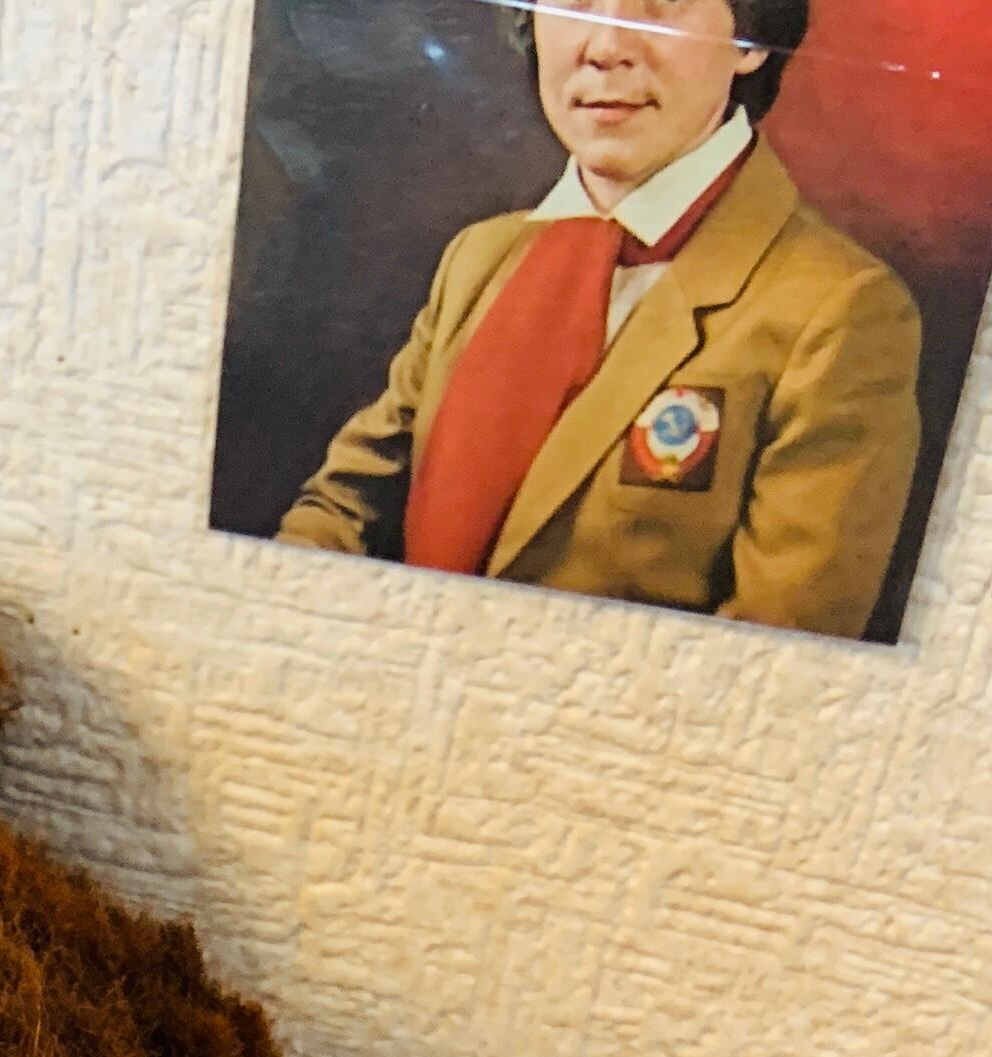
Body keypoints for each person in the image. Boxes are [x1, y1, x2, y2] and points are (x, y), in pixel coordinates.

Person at [280, 0, 920, 636]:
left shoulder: (839, 310)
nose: (606, 46)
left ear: (750, 39)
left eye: (660, 6)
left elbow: (773, 654)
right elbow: (345, 510)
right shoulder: (479, 258)